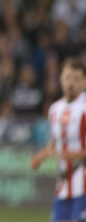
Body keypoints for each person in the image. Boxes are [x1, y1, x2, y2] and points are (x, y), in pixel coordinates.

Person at [31, 58, 86, 222]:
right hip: (63, 185)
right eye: (68, 77)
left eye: (77, 79)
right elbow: (56, 142)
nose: (71, 83)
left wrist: (76, 154)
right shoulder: (55, 109)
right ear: (61, 79)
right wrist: (40, 156)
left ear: (84, 81)